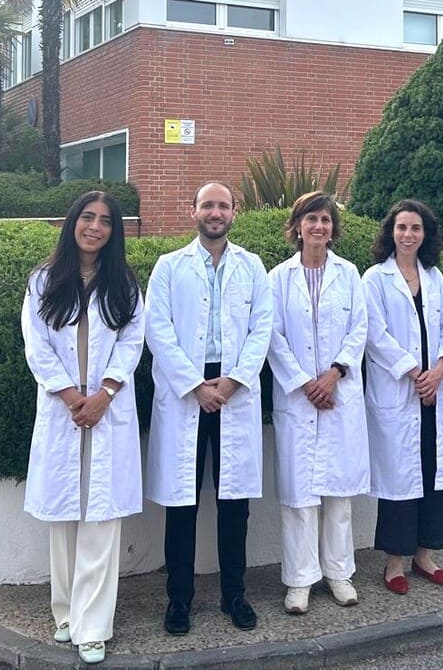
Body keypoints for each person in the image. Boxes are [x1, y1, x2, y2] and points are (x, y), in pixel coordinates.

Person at [21, 191, 145, 666]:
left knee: (101, 519)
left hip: (107, 409)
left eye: (106, 221)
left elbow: (133, 342)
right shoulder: (43, 281)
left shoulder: (125, 284)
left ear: (114, 232)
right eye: (88, 218)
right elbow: (37, 347)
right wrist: (71, 396)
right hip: (64, 410)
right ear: (73, 223)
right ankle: (67, 613)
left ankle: (94, 626)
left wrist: (104, 394)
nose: (95, 227)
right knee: (65, 517)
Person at [145, 182, 273, 634]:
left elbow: (263, 329)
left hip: (234, 387)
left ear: (234, 212)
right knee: (182, 502)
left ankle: (233, 595)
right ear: (193, 210)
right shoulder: (168, 267)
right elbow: (157, 330)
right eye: (207, 205)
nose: (215, 212)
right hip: (188, 392)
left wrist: (235, 381)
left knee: (233, 501)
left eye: (223, 205)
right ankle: (178, 599)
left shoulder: (252, 266)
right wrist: (196, 385)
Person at [266, 191, 370, 615]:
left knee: (338, 497)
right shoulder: (278, 278)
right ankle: (299, 581)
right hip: (298, 399)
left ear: (332, 229)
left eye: (326, 220)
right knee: (299, 498)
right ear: (297, 226)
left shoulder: (349, 274)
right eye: (311, 219)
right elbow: (272, 335)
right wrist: (303, 382)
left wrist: (334, 374)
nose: (319, 227)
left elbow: (359, 328)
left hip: (338, 393)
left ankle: (340, 574)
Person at [363, 199, 443, 595]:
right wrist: (414, 371)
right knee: (400, 478)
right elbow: (374, 335)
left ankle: (425, 556)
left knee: (431, 471)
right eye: (402, 228)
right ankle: (395, 563)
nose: (408, 235)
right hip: (400, 390)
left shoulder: (434, 277)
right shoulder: (374, 278)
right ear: (391, 232)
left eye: (415, 228)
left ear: (425, 234)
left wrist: (438, 369)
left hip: (432, 389)